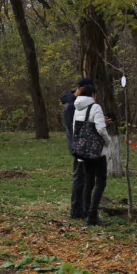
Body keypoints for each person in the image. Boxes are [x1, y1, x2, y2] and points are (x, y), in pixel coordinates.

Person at [72, 81, 110, 226]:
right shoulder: (95, 107)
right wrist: (108, 141)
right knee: (100, 182)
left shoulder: (77, 107)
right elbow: (100, 129)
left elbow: (75, 128)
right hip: (96, 151)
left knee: (88, 182)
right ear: (93, 94)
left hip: (82, 150)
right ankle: (93, 215)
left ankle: (86, 212)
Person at [62, 83, 88, 219]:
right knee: (80, 178)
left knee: (82, 177)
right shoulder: (71, 106)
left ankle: (81, 208)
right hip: (78, 146)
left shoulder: (71, 105)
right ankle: (77, 210)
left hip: (77, 145)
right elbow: (76, 128)